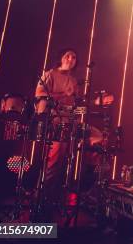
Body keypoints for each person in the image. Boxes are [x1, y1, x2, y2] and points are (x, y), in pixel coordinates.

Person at [35, 49, 102, 202]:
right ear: (61, 58)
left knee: (97, 135)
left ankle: (87, 178)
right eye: (68, 55)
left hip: (70, 121)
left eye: (74, 57)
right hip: (54, 122)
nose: (71, 58)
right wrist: (64, 95)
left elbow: (77, 103)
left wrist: (96, 102)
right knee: (54, 164)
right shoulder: (50, 74)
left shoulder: (72, 80)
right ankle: (42, 199)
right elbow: (39, 94)